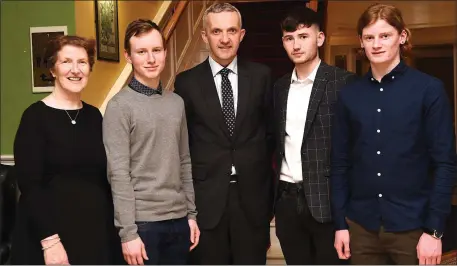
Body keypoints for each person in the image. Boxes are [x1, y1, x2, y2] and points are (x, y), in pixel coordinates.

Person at [331, 3, 457, 265]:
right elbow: (340, 163)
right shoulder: (349, 95)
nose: (376, 44)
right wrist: (341, 223)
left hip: (413, 228)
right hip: (360, 228)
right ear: (361, 42)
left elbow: (445, 163)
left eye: (385, 35)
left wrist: (434, 231)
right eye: (369, 37)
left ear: (402, 37)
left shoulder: (429, 90)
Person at [174, 2, 274, 264]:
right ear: (205, 36)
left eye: (231, 31)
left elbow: (271, 135)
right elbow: (183, 144)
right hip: (207, 202)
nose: (225, 39)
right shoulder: (186, 82)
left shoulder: (262, 76)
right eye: (217, 31)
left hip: (252, 201)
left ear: (241, 34)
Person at [10, 35, 122, 265]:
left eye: (82, 62)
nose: (75, 69)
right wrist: (50, 242)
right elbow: (30, 185)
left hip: (95, 235)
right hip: (50, 237)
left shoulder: (94, 116)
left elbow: (103, 178)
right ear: (53, 69)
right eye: (66, 62)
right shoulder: (34, 117)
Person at [103, 19, 199, 265]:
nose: (151, 58)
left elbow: (184, 161)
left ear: (165, 52)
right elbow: (119, 174)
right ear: (128, 56)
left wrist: (191, 215)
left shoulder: (176, 102)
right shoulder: (119, 107)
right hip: (143, 226)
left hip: (179, 221)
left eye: (156, 50)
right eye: (141, 52)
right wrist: (128, 233)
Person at [272, 6, 357, 265]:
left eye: (303, 36)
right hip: (286, 201)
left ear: (319, 39)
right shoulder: (279, 86)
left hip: (327, 203)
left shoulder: (343, 82)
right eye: (289, 38)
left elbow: (355, 149)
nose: (296, 45)